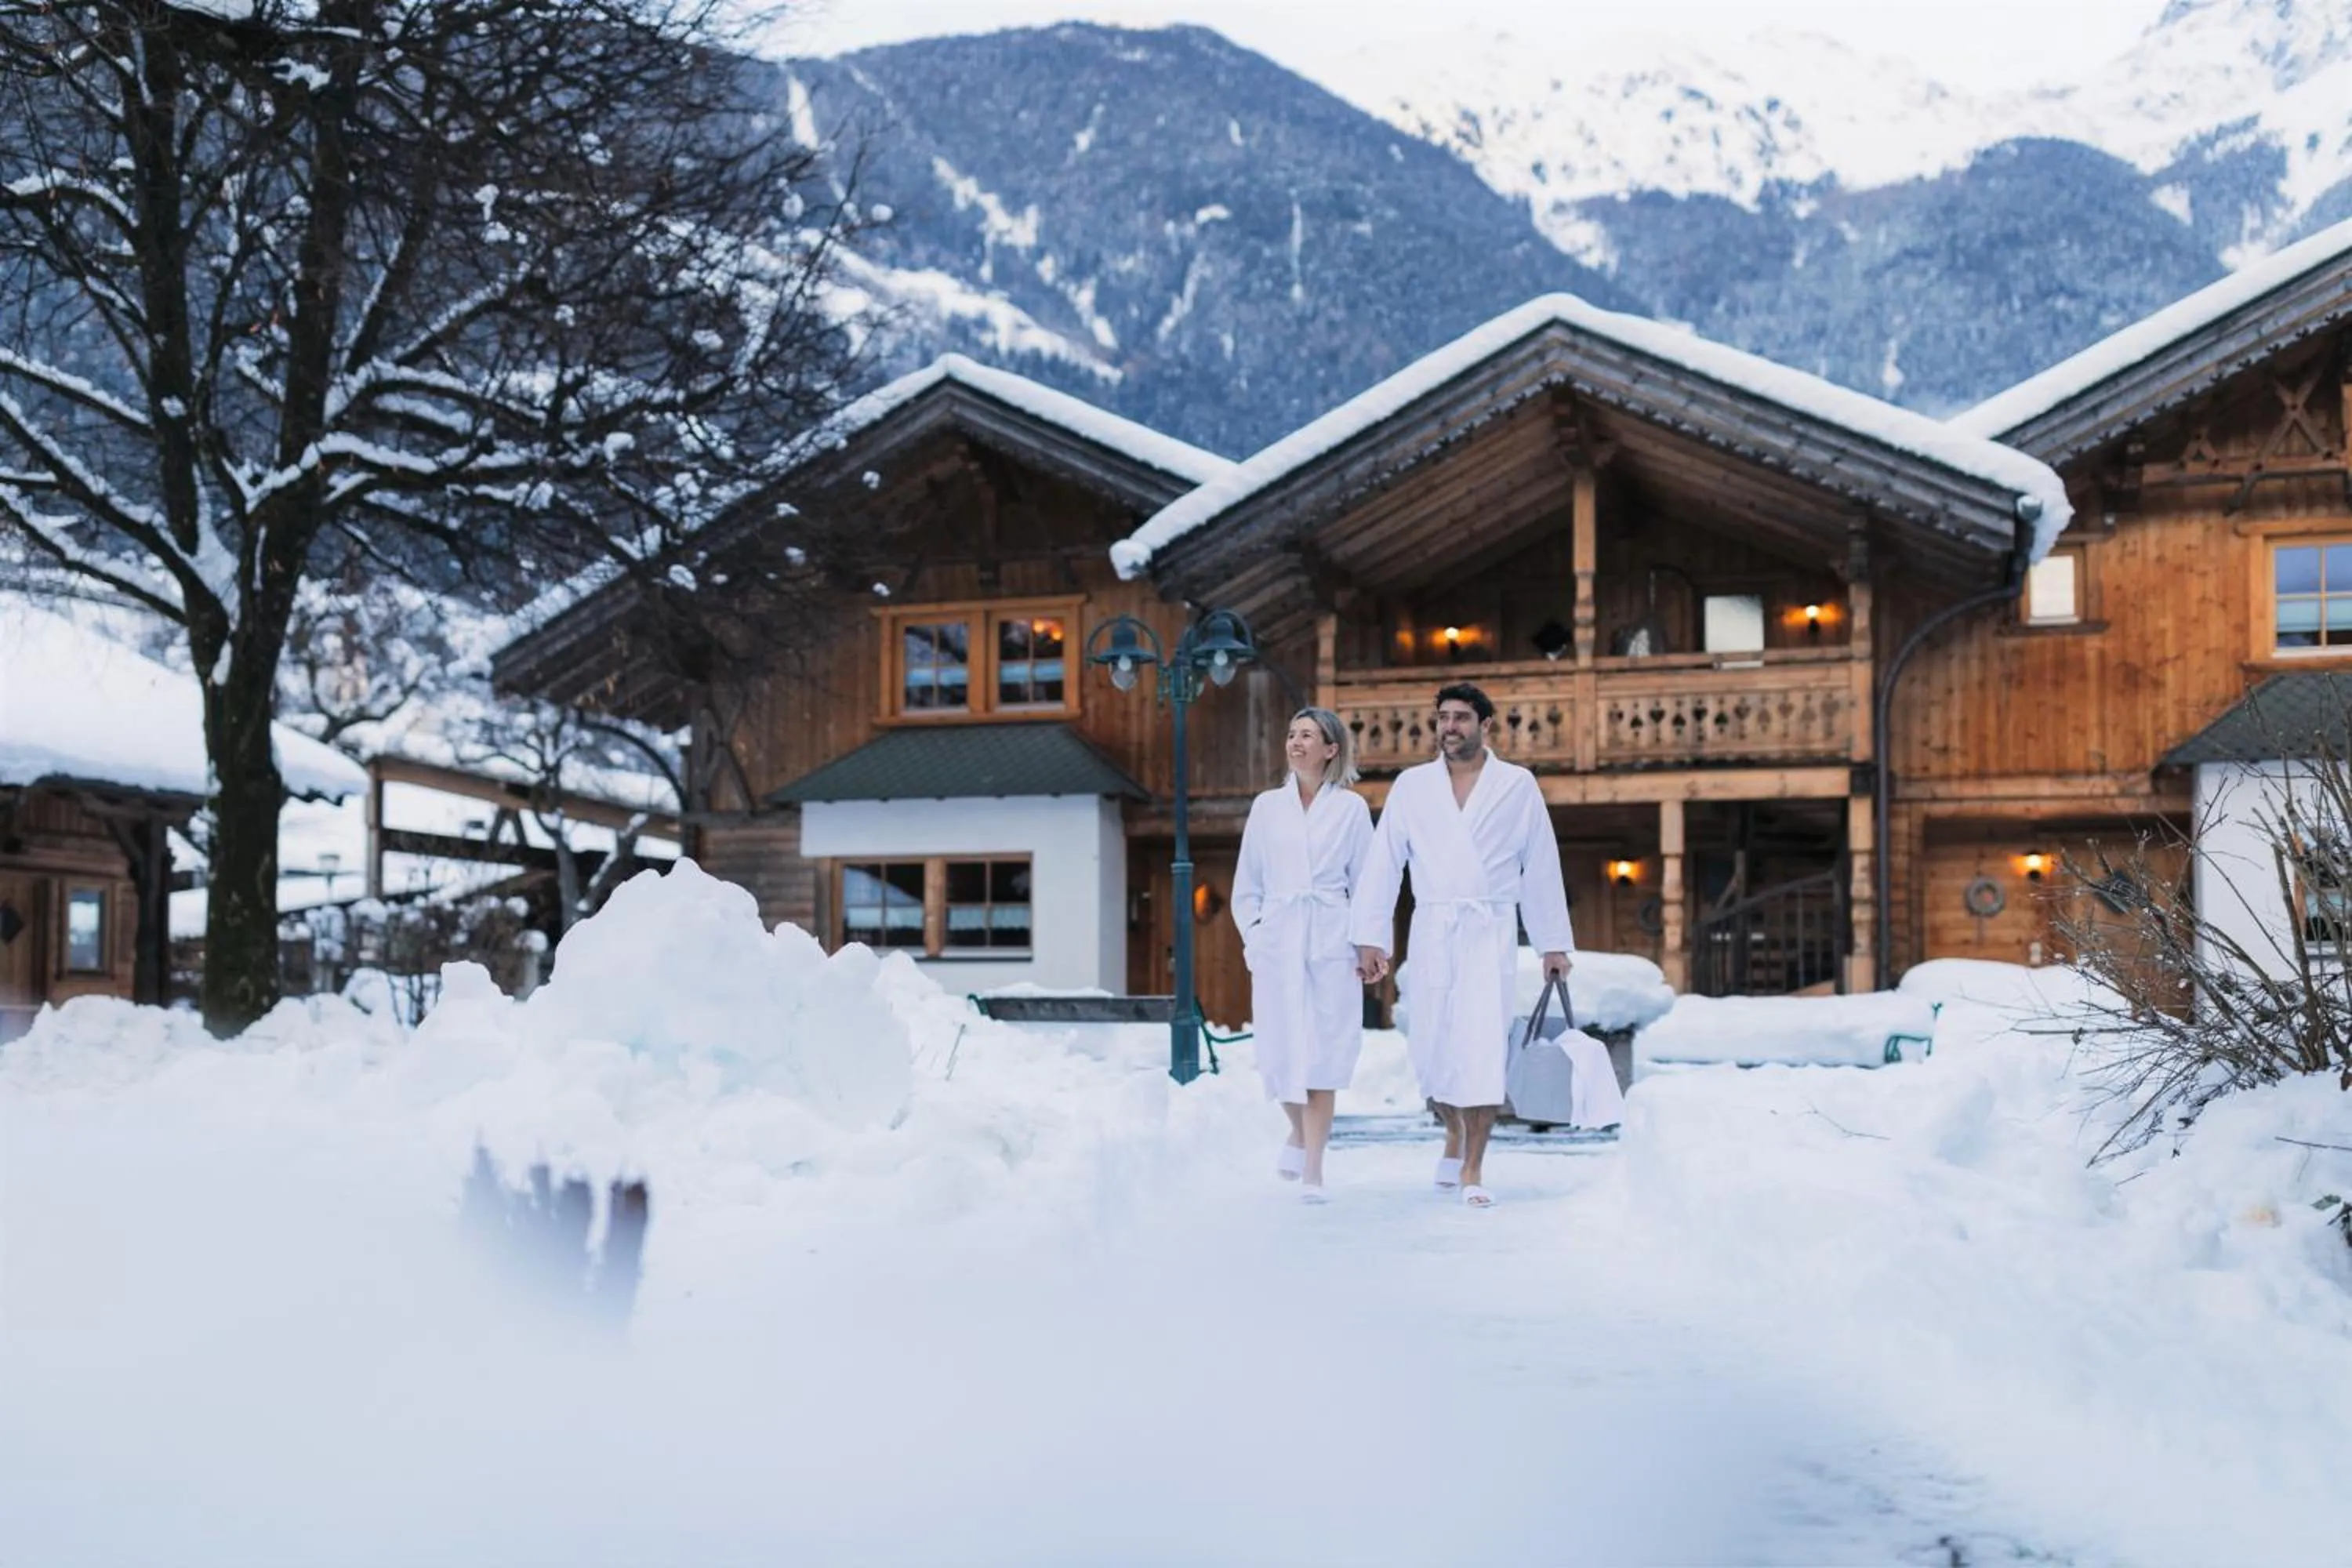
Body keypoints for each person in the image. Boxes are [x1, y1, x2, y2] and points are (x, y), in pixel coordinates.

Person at [1351, 683, 1573, 1210]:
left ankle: (1474, 1164)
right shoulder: (1412, 786)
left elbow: (1541, 865)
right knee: (1431, 1048)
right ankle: (1453, 1130)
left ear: (1485, 725)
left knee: (1482, 1047)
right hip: (1433, 927)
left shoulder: (1516, 786)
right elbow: (1384, 863)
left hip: (1488, 929)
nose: (1450, 727)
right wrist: (1370, 938)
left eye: (1461, 718)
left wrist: (1553, 944)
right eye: (1444, 718)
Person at [1231, 707, 1377, 1202]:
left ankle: (1314, 1168)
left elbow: (1368, 885)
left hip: (1332, 939)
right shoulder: (1267, 807)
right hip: (1278, 938)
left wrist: (1369, 942)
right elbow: (1248, 883)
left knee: (1322, 1055)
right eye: (1292, 734)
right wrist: (1256, 935)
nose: (1295, 742)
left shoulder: (1351, 810)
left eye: (1308, 736)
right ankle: (1297, 1131)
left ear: (1331, 749)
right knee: (1277, 1052)